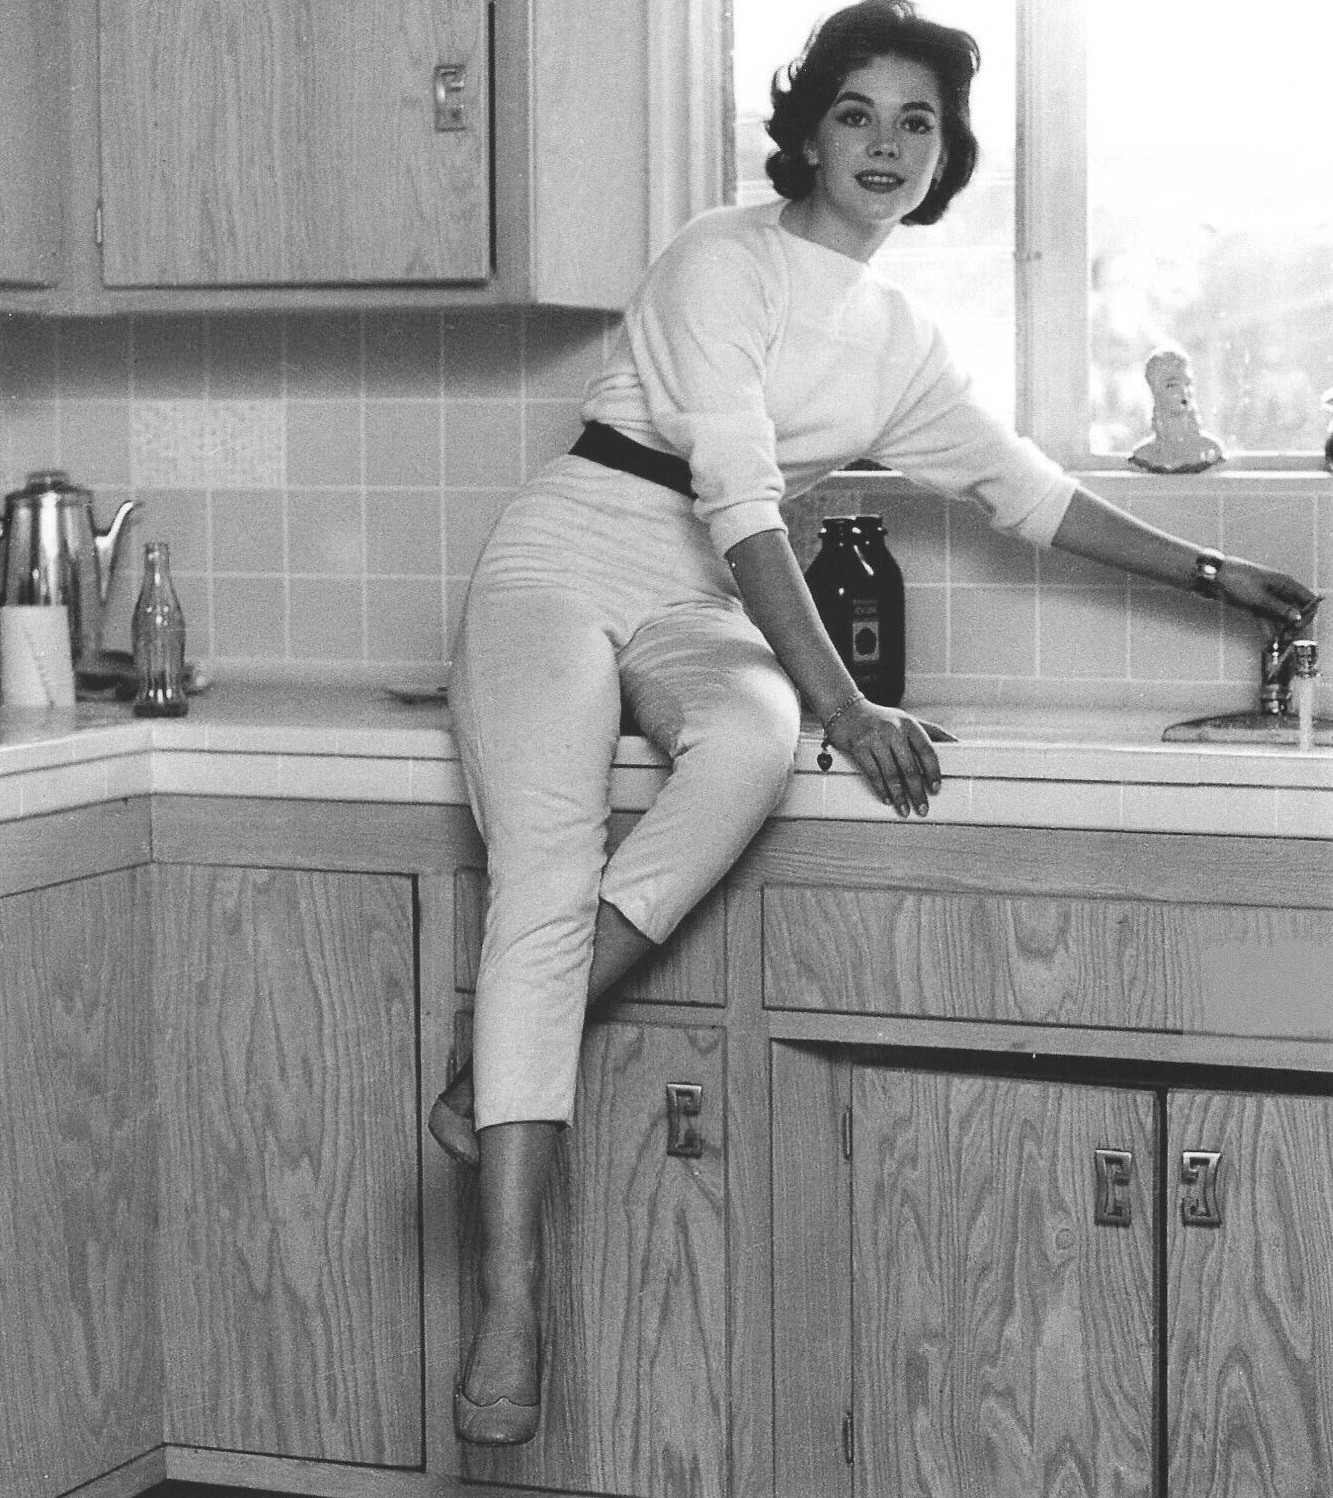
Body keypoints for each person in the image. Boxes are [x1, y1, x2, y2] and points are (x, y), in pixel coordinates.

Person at [434, 0, 1317, 1447]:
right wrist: (845, 700)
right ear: (808, 129)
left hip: (697, 600)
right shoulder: (718, 256)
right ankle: (510, 1299)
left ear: (945, 153)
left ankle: (492, 1065)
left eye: (919, 121)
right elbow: (738, 497)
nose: (888, 144)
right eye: (858, 112)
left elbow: (1026, 492)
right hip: (563, 561)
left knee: (749, 747)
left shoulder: (899, 338)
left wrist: (1218, 575)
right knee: (544, 877)